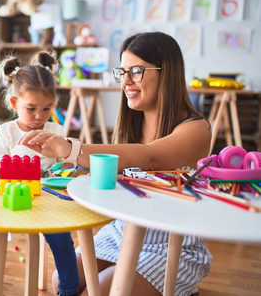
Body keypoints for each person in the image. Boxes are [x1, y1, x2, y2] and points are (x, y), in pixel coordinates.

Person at [18, 32, 213, 296]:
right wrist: (67, 171)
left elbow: (151, 156)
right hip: (123, 232)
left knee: (101, 292)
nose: (126, 81)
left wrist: (72, 148)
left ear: (167, 72)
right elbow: (112, 172)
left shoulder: (196, 128)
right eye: (122, 72)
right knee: (63, 282)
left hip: (171, 246)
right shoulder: (132, 126)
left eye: (136, 71)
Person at [0, 51, 80, 296]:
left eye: (46, 108)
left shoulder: (55, 130)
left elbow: (66, 163)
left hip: (44, 197)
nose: (39, 116)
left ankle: (70, 289)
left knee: (62, 236)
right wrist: (4, 165)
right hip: (8, 195)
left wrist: (60, 164)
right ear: (14, 103)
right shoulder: (7, 131)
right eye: (31, 108)